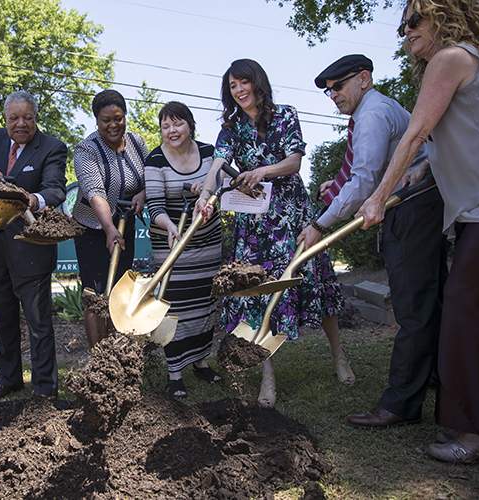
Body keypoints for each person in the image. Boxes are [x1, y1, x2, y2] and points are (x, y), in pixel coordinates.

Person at [357, 0, 479, 463]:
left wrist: (377, 197)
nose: (406, 30)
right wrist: (419, 175)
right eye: (402, 23)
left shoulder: (449, 58)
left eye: (415, 20)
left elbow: (416, 133)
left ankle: (475, 432)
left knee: (462, 317)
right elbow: (464, 139)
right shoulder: (475, 62)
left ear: (446, 16)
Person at [197, 59, 354, 408]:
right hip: (253, 225)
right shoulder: (232, 127)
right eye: (232, 85)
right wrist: (206, 196)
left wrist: (262, 172)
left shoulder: (284, 114)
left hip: (290, 214)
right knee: (258, 294)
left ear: (257, 83)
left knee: (315, 280)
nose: (238, 90)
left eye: (243, 82)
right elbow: (218, 165)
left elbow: (295, 162)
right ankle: (268, 375)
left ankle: (339, 354)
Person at [303, 55, 448, 428]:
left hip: (412, 208)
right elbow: (362, 172)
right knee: (432, 299)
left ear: (363, 79)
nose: (332, 95)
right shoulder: (378, 108)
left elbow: (363, 182)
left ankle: (400, 403)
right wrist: (334, 190)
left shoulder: (371, 115)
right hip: (420, 205)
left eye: (338, 86)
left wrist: (320, 225)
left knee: (413, 307)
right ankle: (434, 377)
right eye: (328, 91)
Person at [0, 90, 67, 400]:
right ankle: (9, 379)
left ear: (36, 117)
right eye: (14, 118)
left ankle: (44, 387)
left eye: (27, 117)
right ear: (5, 119)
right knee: (3, 319)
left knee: (38, 322)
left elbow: (55, 189)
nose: (21, 124)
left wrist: (33, 199)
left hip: (31, 248)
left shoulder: (52, 147)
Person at [144, 101, 222, 399]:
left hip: (207, 242)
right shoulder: (155, 161)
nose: (171, 130)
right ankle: (175, 372)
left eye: (177, 124)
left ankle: (201, 361)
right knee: (173, 307)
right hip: (172, 244)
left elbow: (220, 186)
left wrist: (206, 190)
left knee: (205, 303)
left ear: (190, 125)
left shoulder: (209, 153)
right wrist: (169, 226)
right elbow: (154, 206)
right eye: (165, 126)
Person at [72, 89, 148, 347]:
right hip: (93, 229)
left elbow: (149, 176)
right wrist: (109, 229)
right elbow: (95, 193)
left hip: (126, 225)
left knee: (120, 289)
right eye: (107, 120)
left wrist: (143, 193)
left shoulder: (137, 143)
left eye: (119, 118)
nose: (114, 125)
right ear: (96, 120)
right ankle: (99, 358)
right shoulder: (86, 150)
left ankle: (118, 350)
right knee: (95, 293)